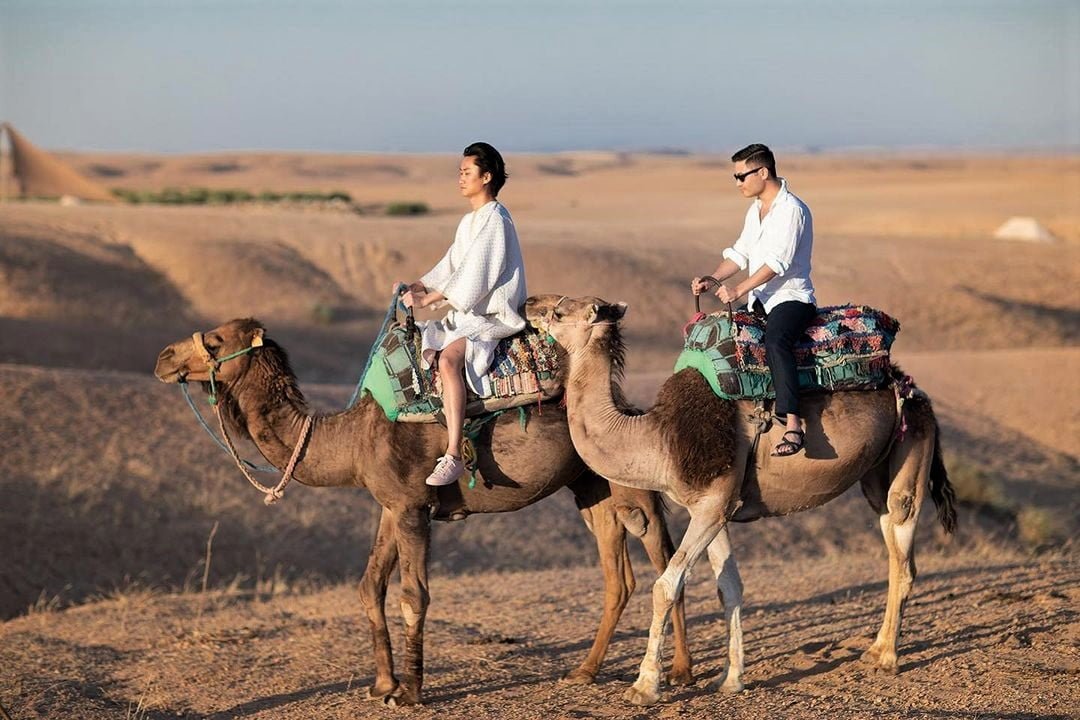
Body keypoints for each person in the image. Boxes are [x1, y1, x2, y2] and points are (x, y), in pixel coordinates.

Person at [401, 142, 527, 486]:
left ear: (486, 177)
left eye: (466, 172)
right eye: (460, 172)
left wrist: (430, 300)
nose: (460, 178)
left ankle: (453, 453)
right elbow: (452, 263)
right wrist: (420, 284)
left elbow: (476, 275)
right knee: (423, 349)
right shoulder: (470, 221)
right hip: (467, 315)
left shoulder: (496, 220)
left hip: (491, 318)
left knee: (447, 362)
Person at [692, 143, 816, 457]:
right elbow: (740, 253)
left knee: (776, 342)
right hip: (759, 301)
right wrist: (714, 279)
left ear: (763, 172)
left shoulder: (792, 210)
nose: (738, 183)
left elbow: (778, 263)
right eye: (735, 177)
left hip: (791, 298)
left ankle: (793, 423)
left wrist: (738, 291)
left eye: (741, 176)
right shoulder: (756, 210)